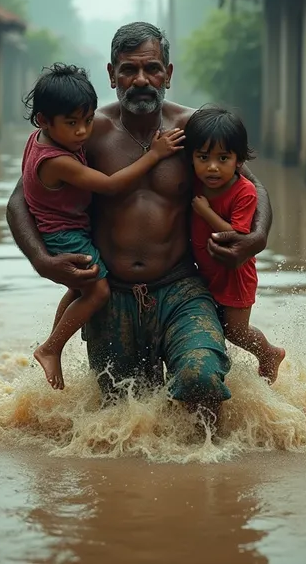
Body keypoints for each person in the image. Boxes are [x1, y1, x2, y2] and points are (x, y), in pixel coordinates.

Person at [7, 22, 273, 418]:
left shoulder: (194, 129)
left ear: (168, 72)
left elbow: (255, 187)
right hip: (109, 296)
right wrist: (42, 261)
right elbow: (19, 201)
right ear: (112, 74)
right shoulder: (84, 132)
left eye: (152, 68)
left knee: (201, 381)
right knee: (121, 416)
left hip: (181, 288)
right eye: (129, 69)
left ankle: (213, 479)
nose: (141, 80)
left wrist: (257, 237)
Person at [21, 63, 185, 389]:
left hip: (68, 230)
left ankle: (53, 344)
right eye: (72, 124)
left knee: (79, 287)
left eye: (86, 120)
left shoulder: (41, 139)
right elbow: (109, 186)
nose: (83, 132)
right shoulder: (58, 160)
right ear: (43, 121)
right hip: (64, 234)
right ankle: (51, 347)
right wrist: (154, 155)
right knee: (96, 291)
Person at [185, 105, 285, 384]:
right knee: (215, 326)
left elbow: (236, 236)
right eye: (203, 157)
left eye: (223, 158)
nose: (212, 166)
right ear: (191, 158)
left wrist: (205, 211)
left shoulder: (244, 191)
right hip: (206, 270)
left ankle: (269, 353)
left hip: (235, 274)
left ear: (239, 160)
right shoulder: (196, 181)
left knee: (236, 331)